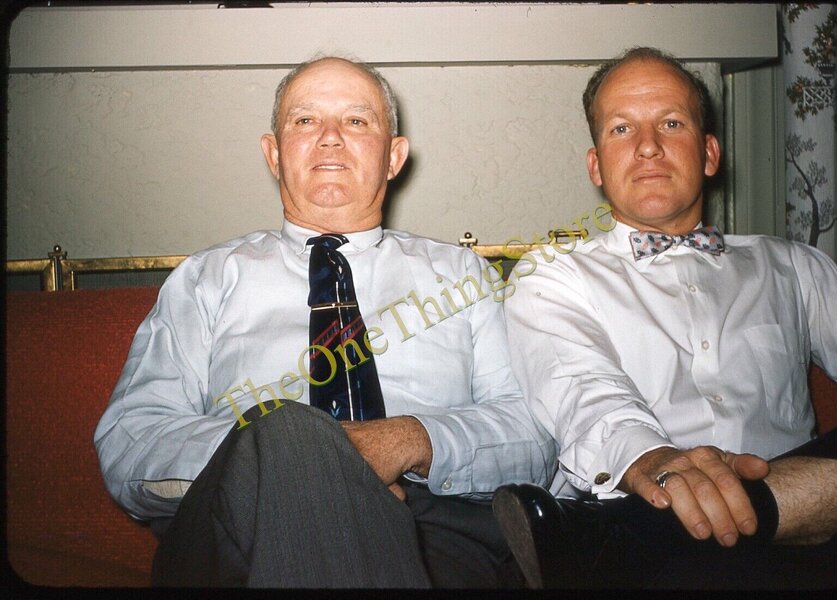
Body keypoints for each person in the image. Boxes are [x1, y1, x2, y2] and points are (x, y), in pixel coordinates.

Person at [94, 56, 557, 588]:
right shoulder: (205, 279)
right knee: (287, 430)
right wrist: (290, 461)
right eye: (305, 120)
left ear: (394, 157)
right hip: (239, 534)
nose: (331, 138)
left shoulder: (464, 275)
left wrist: (409, 439)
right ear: (273, 154)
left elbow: (534, 434)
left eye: (357, 121)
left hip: (433, 531)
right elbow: (132, 438)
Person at [496, 46, 837, 589]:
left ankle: (618, 536)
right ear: (596, 165)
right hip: (656, 516)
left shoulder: (795, 266)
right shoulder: (552, 275)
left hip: (803, 543)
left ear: (710, 152)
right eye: (622, 129)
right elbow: (582, 388)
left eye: (671, 123)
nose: (648, 147)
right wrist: (652, 460)